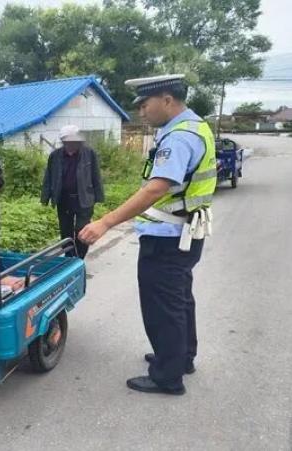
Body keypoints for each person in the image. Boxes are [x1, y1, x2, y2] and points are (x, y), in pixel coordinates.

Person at [79, 74, 216, 395]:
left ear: (167, 100)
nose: (141, 112)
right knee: (180, 299)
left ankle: (167, 376)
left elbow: (156, 189)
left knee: (163, 307)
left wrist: (105, 222)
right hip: (185, 232)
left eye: (145, 104)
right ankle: (181, 357)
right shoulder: (196, 126)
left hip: (168, 237)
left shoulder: (178, 138)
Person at [41, 125, 104, 258]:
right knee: (65, 231)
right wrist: (45, 197)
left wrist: (98, 196)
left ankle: (79, 258)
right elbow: (49, 176)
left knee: (82, 230)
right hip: (63, 199)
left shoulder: (89, 153)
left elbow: (96, 175)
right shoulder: (55, 155)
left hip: (84, 199)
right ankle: (69, 257)